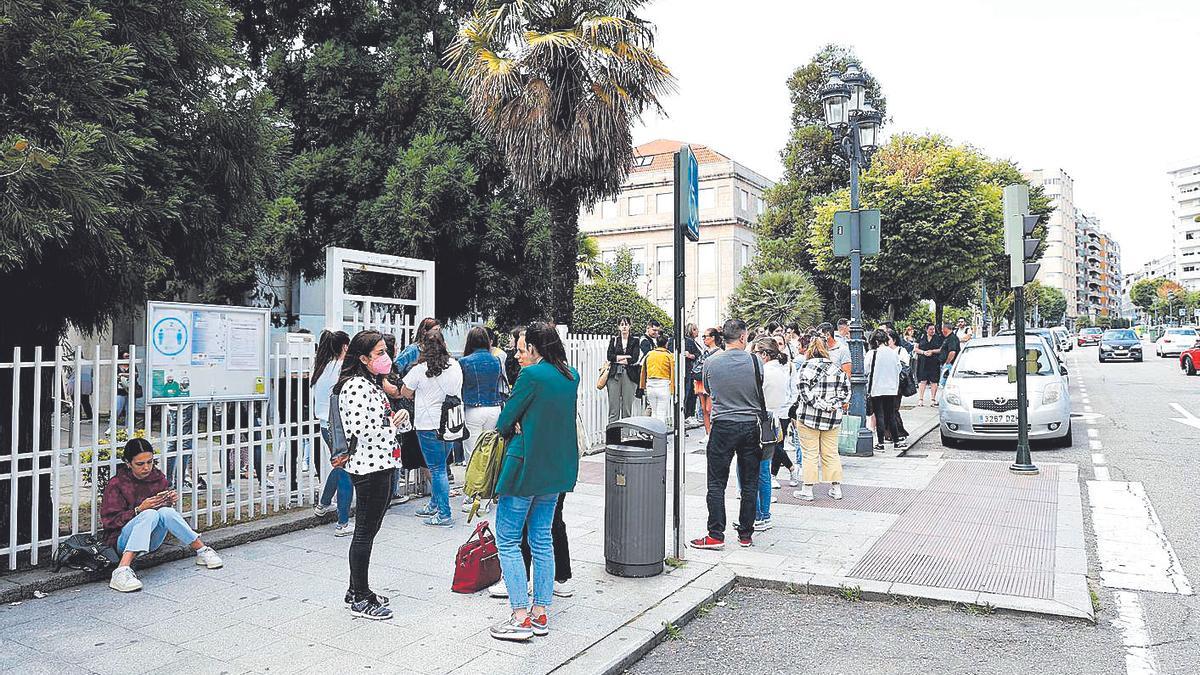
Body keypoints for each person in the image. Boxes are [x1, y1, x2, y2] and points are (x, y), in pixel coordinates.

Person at [489, 323, 580, 642]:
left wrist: (513, 425)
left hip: (524, 466)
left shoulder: (531, 377)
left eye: (522, 348)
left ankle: (520, 616)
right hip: (556, 468)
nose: (518, 353)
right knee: (542, 539)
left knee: (508, 539)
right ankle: (540, 613)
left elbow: (505, 420)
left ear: (536, 349)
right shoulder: (571, 376)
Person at [337, 330, 407, 619]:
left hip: (383, 463)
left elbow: (381, 422)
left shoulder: (372, 384)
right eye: (379, 353)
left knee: (370, 529)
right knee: (364, 532)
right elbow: (362, 431)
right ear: (363, 358)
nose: (385, 358)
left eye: (385, 352)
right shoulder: (354, 387)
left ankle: (357, 589)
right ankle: (360, 597)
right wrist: (392, 425)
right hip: (369, 467)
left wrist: (397, 422)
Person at [102, 438, 223, 592]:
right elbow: (109, 522)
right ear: (128, 463)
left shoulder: (157, 477)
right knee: (149, 514)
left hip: (150, 540)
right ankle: (122, 570)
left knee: (166, 512)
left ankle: (202, 550)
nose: (146, 467)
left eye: (150, 462)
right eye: (140, 464)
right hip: (121, 541)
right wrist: (138, 510)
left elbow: (162, 515)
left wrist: (168, 501)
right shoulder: (117, 483)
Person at [689, 319, 762, 550]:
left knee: (716, 482)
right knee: (750, 482)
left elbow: (709, 391)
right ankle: (745, 534)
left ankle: (715, 534)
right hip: (750, 424)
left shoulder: (711, 362)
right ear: (742, 337)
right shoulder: (755, 361)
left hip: (722, 425)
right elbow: (759, 385)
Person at [400, 328, 462, 528]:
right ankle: (434, 503)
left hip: (428, 425)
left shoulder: (419, 370)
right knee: (441, 467)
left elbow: (405, 392)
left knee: (437, 470)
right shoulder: (455, 365)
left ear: (423, 347)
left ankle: (444, 513)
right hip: (451, 424)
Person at [793, 339, 849, 501]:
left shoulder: (805, 368)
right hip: (832, 419)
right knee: (831, 453)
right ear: (827, 351)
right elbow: (846, 394)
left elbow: (804, 394)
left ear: (809, 350)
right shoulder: (837, 369)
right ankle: (836, 488)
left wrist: (821, 405)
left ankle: (807, 490)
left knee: (809, 454)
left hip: (808, 418)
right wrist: (831, 405)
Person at [312, 330, 354, 536]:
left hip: (325, 425)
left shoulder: (322, 368)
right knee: (346, 470)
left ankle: (324, 504)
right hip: (339, 428)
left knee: (339, 466)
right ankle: (343, 522)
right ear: (345, 347)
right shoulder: (342, 369)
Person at [459, 326, 505, 513]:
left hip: (473, 409)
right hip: (494, 408)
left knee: (473, 454)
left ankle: (474, 495)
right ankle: (489, 493)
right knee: (490, 452)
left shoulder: (464, 362)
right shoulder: (496, 360)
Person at [751, 338, 788, 532]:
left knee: (751, 472)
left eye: (757, 353)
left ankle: (757, 514)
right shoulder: (781, 371)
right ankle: (764, 515)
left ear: (764, 354)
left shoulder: (764, 372)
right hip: (774, 420)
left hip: (759, 420)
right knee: (764, 471)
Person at [865, 330, 905, 452]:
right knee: (891, 415)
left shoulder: (872, 353)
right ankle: (896, 441)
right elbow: (899, 368)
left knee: (879, 415)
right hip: (892, 388)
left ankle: (880, 443)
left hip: (877, 388)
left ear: (875, 341)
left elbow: (866, 370)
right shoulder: (893, 353)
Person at [605, 318, 640, 423]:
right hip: (614, 374)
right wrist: (623, 357)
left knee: (627, 406)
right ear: (618, 327)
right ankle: (613, 435)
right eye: (621, 324)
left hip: (629, 374)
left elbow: (634, 358)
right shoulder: (614, 340)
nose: (624, 327)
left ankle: (625, 435)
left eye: (626, 324)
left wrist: (618, 358)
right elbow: (609, 356)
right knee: (613, 407)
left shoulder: (635, 341)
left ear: (630, 326)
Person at [693, 328, 723, 438]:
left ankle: (712, 433)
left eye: (706, 337)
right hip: (701, 380)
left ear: (713, 338)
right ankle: (708, 433)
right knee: (704, 408)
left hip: (712, 382)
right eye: (703, 337)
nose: (704, 339)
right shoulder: (704, 351)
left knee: (709, 408)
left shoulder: (720, 352)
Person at [639, 334, 674, 426]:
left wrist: (642, 385)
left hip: (650, 385)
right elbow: (673, 372)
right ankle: (660, 437)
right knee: (661, 413)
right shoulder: (669, 356)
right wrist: (673, 388)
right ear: (666, 344)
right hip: (663, 385)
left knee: (654, 412)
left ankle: (653, 435)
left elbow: (643, 371)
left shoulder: (649, 354)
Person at [914, 323, 943, 405]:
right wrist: (923, 352)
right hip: (923, 361)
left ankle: (933, 399)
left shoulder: (938, 338)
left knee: (934, 381)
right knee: (922, 380)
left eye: (933, 329)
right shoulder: (921, 337)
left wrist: (932, 351)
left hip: (934, 361)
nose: (932, 331)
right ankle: (920, 399)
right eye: (930, 329)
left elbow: (941, 349)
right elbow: (916, 348)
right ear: (926, 330)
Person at [683, 323, 702, 425]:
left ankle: (689, 414)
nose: (697, 332)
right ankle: (688, 415)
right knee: (689, 394)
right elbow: (698, 354)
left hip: (691, 371)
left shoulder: (693, 342)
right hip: (689, 371)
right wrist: (691, 356)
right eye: (695, 330)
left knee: (691, 393)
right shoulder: (689, 342)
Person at [938, 322, 961, 390]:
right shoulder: (947, 338)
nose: (942, 330)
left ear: (945, 328)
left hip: (949, 365)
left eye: (942, 328)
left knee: (943, 385)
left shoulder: (952, 338)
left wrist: (947, 363)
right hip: (947, 364)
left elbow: (952, 352)